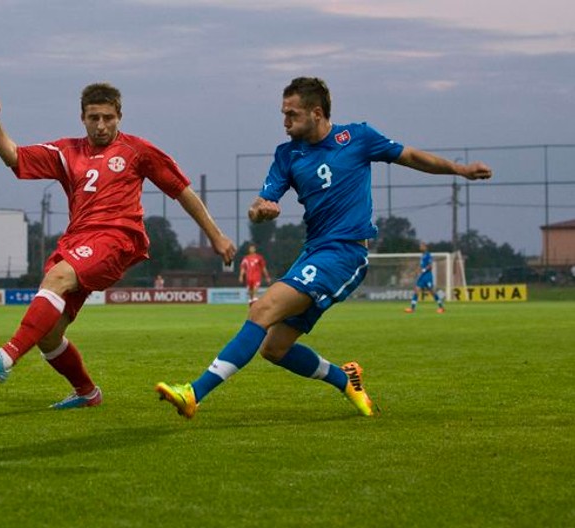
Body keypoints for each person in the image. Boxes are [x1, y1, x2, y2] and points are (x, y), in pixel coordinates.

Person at [155, 77, 492, 419]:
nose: (285, 121)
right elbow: (260, 203)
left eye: (292, 113)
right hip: (314, 253)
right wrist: (260, 211)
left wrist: (459, 169)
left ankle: (194, 393)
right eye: (283, 113)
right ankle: (345, 379)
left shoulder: (358, 138)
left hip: (345, 254)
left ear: (317, 113)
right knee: (274, 349)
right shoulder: (287, 155)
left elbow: (411, 156)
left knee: (262, 309)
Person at [0, 83, 236, 409]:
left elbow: (182, 191)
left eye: (108, 117)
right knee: (48, 334)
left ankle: (5, 357)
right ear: (82, 118)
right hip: (77, 241)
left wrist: (216, 235)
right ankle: (87, 393)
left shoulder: (138, 151)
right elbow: (16, 157)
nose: (101, 125)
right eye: (94, 117)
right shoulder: (67, 153)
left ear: (120, 116)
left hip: (117, 240)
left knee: (56, 279)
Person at [406, 242, 445, 313]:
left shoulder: (428, 255)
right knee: (417, 290)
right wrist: (417, 271)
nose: (420, 247)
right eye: (420, 246)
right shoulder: (422, 256)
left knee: (432, 291)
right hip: (422, 276)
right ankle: (412, 308)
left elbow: (430, 266)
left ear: (425, 247)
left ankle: (441, 307)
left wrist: (424, 270)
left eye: (421, 246)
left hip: (427, 276)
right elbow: (421, 266)